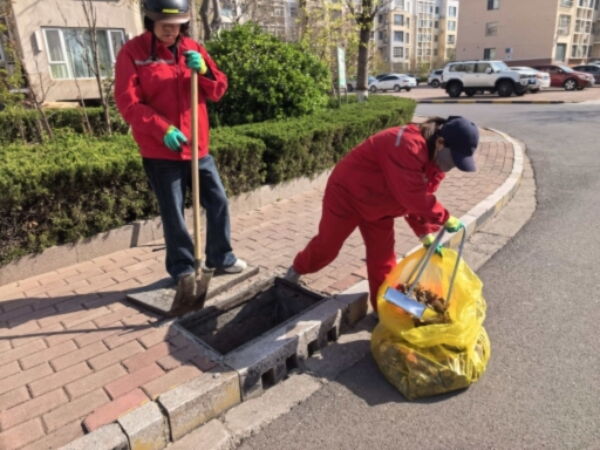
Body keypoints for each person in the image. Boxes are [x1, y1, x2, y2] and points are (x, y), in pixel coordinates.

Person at [114, 0, 246, 308]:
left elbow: (218, 90)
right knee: (173, 212)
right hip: (161, 151)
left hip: (197, 146)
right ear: (151, 21)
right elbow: (128, 103)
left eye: (176, 26)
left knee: (218, 201)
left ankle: (221, 257)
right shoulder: (133, 53)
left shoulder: (192, 48)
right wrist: (162, 129)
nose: (170, 31)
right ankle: (183, 268)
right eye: (164, 25)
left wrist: (205, 72)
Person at [284, 116, 479, 311]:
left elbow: (421, 194)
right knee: (327, 246)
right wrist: (444, 217)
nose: (453, 166)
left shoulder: (436, 163)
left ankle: (383, 310)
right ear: (440, 142)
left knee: (383, 262)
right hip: (347, 196)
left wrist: (424, 232)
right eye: (454, 159)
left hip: (381, 207)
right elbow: (412, 195)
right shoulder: (407, 145)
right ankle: (296, 270)